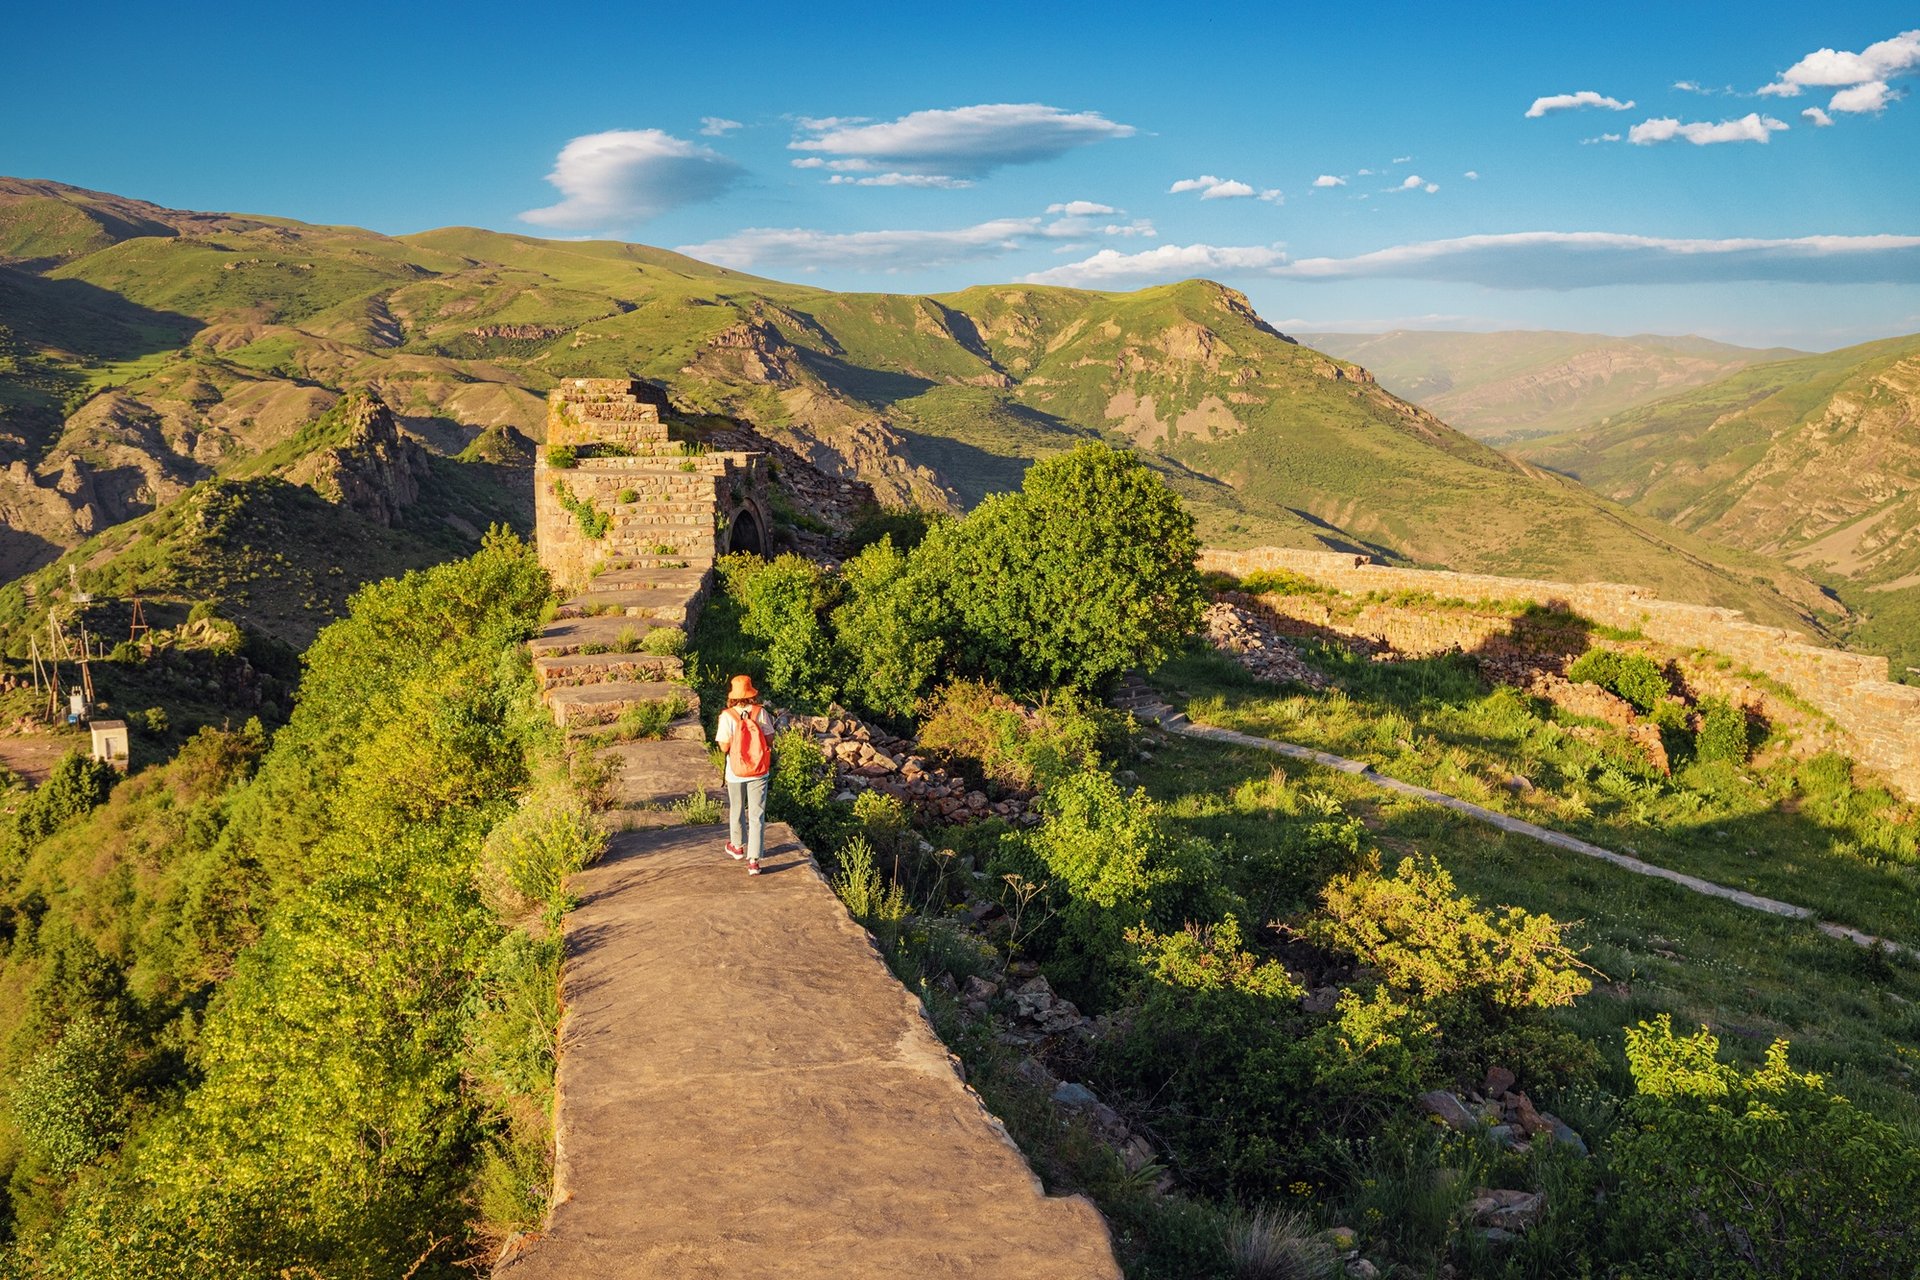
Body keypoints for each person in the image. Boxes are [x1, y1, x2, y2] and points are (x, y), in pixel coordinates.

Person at [713, 674, 775, 875]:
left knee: (737, 808)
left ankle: (737, 847)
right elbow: (770, 738)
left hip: (735, 772)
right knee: (757, 813)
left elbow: (723, 747)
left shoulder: (727, 716)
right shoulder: (760, 712)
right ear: (751, 692)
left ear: (733, 694)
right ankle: (754, 861)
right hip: (758, 771)